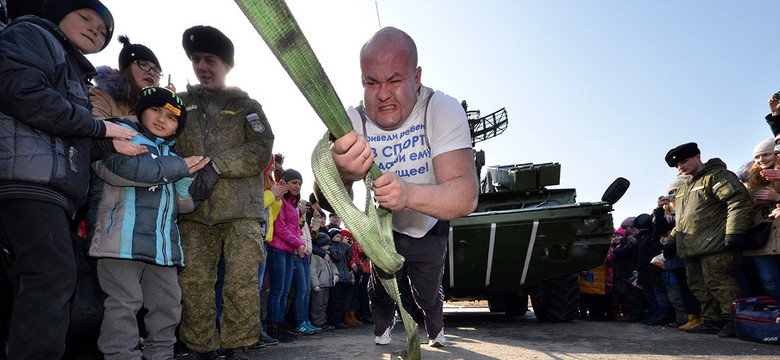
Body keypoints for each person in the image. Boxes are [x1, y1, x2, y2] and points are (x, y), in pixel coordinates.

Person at [0, 1, 145, 358]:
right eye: (86, 18)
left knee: (37, 280)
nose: (96, 30)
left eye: (103, 30)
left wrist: (110, 142)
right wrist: (99, 126)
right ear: (60, 14)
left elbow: (70, 133)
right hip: (26, 180)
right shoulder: (33, 35)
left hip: (51, 187)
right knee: (51, 278)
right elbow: (23, 93)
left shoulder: (77, 71)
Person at [330, 27, 478, 347]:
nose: (383, 94)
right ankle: (381, 330)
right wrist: (339, 175)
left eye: (395, 80)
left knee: (426, 291)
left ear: (416, 77)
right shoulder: (352, 120)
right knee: (380, 289)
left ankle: (436, 331)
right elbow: (325, 199)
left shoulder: (440, 108)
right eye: (372, 82)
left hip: (428, 227)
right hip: (384, 232)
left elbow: (466, 195)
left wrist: (408, 194)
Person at [174, 25, 274, 359]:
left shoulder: (248, 105)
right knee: (194, 284)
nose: (203, 66)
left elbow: (261, 149)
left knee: (242, 282)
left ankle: (238, 346)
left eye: (211, 60)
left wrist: (216, 164)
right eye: (197, 60)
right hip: (193, 212)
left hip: (240, 213)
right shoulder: (179, 105)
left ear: (227, 65)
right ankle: (201, 348)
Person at [89, 87, 210, 360]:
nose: (161, 119)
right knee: (124, 303)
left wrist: (187, 183)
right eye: (155, 109)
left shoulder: (173, 156)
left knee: (168, 306)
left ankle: (161, 355)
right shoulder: (121, 134)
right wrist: (179, 167)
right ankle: (121, 355)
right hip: (120, 241)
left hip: (162, 247)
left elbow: (185, 206)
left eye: (171, 117)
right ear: (141, 109)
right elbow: (124, 171)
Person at [663, 142, 752, 338]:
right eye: (677, 166)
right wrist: (671, 241)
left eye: (684, 161)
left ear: (698, 156)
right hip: (692, 248)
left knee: (720, 282)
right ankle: (712, 320)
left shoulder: (716, 176)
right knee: (698, 286)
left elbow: (738, 201)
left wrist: (735, 231)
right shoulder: (685, 187)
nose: (681, 167)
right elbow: (682, 219)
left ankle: (733, 321)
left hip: (715, 245)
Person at [265, 169, 307, 340]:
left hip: (289, 251)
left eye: (299, 183)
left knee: (284, 291)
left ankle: (280, 325)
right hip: (277, 249)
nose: (297, 186)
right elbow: (280, 228)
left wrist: (299, 245)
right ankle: (273, 327)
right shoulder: (279, 200)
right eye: (294, 182)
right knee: (277, 290)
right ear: (285, 183)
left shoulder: (291, 205)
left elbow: (296, 229)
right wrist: (299, 243)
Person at [741, 139, 780, 301]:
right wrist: (754, 204)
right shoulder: (748, 183)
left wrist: (776, 197)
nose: (761, 160)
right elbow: (740, 209)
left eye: (766, 154)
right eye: (757, 157)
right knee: (769, 282)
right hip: (761, 240)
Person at [310, 232, 339, 331]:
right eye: (326, 244)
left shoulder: (327, 255)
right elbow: (312, 271)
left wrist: (336, 274)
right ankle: (318, 322)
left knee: (324, 304)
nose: (328, 246)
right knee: (317, 305)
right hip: (319, 285)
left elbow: (332, 266)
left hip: (327, 284)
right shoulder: (314, 257)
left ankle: (323, 322)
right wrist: (315, 284)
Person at [325, 228, 352, 330]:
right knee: (335, 301)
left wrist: (349, 248)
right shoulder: (331, 247)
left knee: (341, 301)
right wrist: (343, 245)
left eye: (340, 237)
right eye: (337, 236)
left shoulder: (341, 246)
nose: (339, 238)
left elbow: (348, 258)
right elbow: (337, 256)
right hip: (336, 278)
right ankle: (335, 321)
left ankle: (339, 320)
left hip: (344, 277)